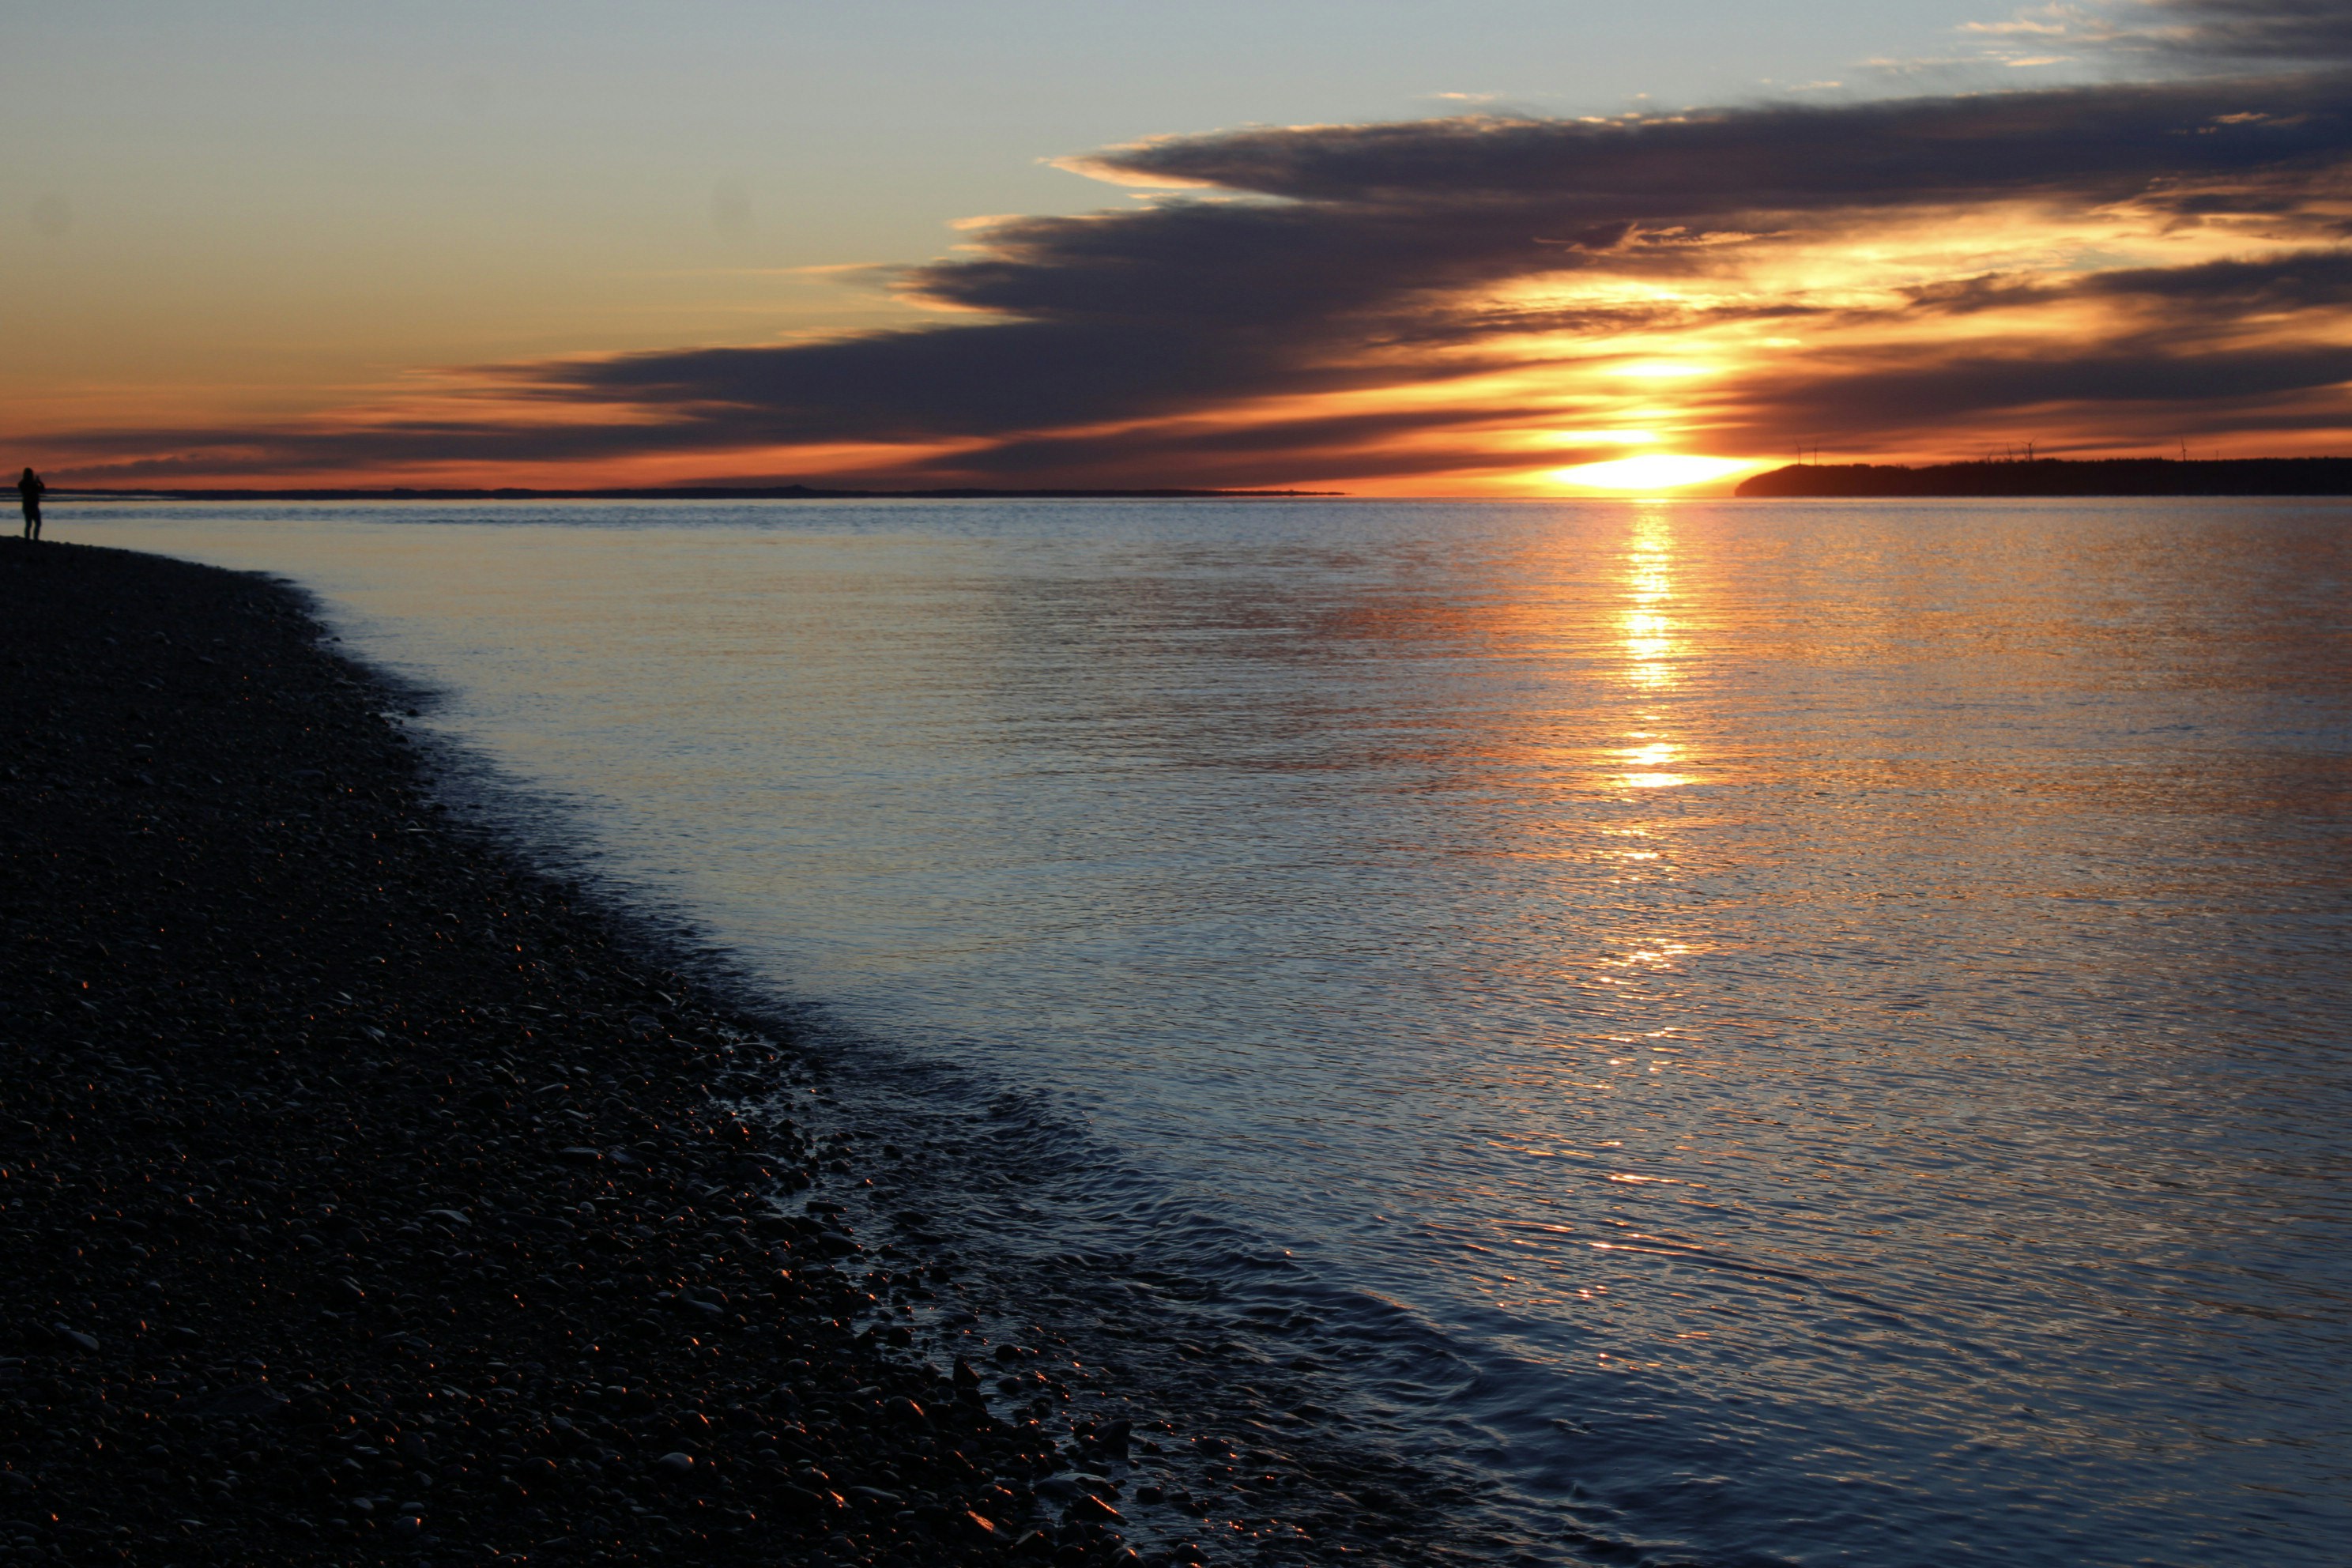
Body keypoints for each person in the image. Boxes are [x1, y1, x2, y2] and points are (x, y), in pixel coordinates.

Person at [17, 467, 43, 541]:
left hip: (34, 506)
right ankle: (28, 539)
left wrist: (40, 483)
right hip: (28, 506)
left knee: (37, 523)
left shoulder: (32, 483)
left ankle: (35, 538)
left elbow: (42, 490)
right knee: (29, 524)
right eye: (30, 474)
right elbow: (27, 489)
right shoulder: (23, 483)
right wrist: (35, 483)